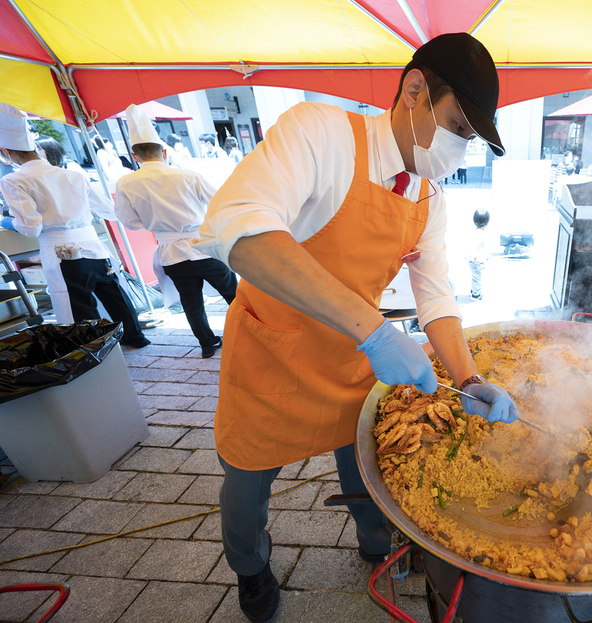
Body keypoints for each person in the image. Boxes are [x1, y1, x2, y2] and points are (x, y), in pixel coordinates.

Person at [194, 33, 519, 623]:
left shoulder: (429, 197)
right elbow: (236, 229)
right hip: (273, 349)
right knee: (246, 483)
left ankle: (378, 546)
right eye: (456, 125)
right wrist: (374, 330)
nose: (458, 148)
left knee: (367, 466)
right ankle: (250, 567)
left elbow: (436, 296)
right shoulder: (318, 132)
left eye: (469, 139)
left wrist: (468, 377)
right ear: (414, 89)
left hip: (353, 359)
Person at [0, 104, 150, 347]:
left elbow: (31, 228)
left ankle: (89, 351)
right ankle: (136, 338)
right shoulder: (74, 175)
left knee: (77, 308)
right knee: (115, 297)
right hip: (95, 246)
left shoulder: (13, 179)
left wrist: (6, 221)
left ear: (5, 151)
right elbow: (109, 211)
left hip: (61, 253)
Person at [114, 104, 238, 359]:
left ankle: (207, 343)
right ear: (165, 151)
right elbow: (219, 201)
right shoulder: (188, 175)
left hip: (171, 253)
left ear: (134, 155)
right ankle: (253, 335)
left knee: (191, 302)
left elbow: (130, 222)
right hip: (204, 246)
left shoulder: (126, 182)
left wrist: (156, 223)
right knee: (233, 294)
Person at [469, 209, 491, 300]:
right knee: (477, 278)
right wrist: (476, 257)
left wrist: (487, 254)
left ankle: (474, 290)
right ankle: (475, 295)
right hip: (477, 261)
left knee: (476, 276)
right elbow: (476, 247)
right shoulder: (479, 234)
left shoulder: (478, 232)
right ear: (487, 222)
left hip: (476, 260)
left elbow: (482, 247)